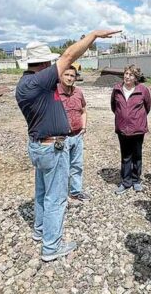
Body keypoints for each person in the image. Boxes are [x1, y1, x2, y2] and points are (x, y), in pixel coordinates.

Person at [16, 29, 120, 262]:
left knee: (42, 192)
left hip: (38, 145)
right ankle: (51, 248)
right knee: (56, 197)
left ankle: (40, 231)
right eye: (50, 63)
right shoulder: (39, 81)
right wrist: (93, 36)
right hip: (51, 148)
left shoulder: (24, 83)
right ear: (43, 64)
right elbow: (69, 56)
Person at [110, 64, 151, 194]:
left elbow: (147, 107)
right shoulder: (117, 89)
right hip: (122, 128)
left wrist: (137, 119)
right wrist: (123, 118)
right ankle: (126, 182)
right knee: (125, 156)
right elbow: (113, 107)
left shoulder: (143, 90)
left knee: (137, 155)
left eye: (131, 75)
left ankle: (136, 180)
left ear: (136, 78)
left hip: (138, 129)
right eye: (126, 73)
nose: (127, 77)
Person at [57, 65, 90, 202]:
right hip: (61, 137)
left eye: (72, 76)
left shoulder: (78, 92)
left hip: (77, 135)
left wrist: (83, 127)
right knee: (61, 168)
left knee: (77, 165)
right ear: (60, 76)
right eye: (67, 75)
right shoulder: (54, 93)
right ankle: (60, 195)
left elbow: (83, 110)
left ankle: (75, 192)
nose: (70, 78)